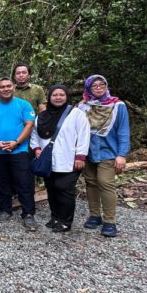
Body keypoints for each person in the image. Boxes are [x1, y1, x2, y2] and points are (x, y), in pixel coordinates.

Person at [30, 85, 90, 233]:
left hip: (68, 159)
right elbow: (34, 135)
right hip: (47, 160)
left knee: (64, 189)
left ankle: (65, 221)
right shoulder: (42, 116)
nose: (58, 97)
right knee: (51, 189)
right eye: (54, 95)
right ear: (49, 97)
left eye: (61, 95)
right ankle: (55, 217)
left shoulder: (75, 113)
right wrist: (36, 149)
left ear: (67, 96)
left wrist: (80, 156)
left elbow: (84, 135)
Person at [77, 75, 130, 238]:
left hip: (109, 151)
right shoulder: (83, 106)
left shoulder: (117, 105)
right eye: (94, 86)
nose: (99, 88)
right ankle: (95, 215)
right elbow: (77, 129)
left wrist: (122, 154)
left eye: (102, 85)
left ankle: (109, 221)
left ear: (106, 86)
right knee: (91, 183)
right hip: (88, 151)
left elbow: (123, 130)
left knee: (105, 183)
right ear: (89, 89)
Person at [0, 77, 37, 229]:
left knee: (24, 182)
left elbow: (29, 124)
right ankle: (5, 210)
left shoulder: (23, 105)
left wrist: (16, 142)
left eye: (8, 86)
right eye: (2, 87)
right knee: (1, 182)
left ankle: (28, 213)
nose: (6, 89)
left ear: (13, 87)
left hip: (19, 150)